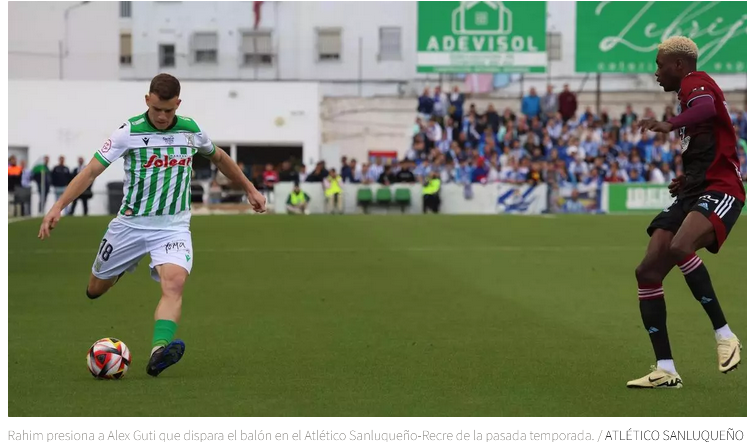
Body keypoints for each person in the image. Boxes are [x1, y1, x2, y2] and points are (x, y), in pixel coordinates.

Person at [37, 74, 267, 378]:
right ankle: (119, 268)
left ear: (178, 105)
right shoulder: (128, 132)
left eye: (169, 111)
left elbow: (220, 158)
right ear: (148, 100)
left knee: (174, 284)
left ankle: (159, 352)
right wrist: (57, 206)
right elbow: (91, 170)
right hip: (130, 226)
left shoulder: (190, 130)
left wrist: (250, 189)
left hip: (173, 227)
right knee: (95, 290)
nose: (162, 116)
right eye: (157, 108)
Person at [628, 37, 744, 389]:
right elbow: (707, 140)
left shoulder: (697, 83)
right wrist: (687, 178)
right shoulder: (687, 95)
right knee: (648, 271)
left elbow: (708, 109)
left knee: (681, 247)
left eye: (661, 64)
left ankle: (726, 335)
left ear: (679, 65)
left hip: (721, 190)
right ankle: (666, 369)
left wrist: (669, 123)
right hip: (695, 190)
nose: (656, 71)